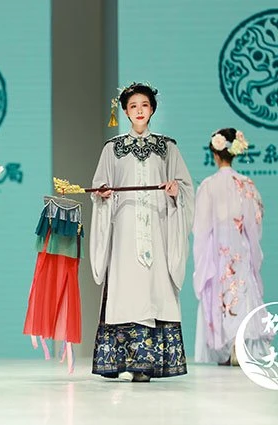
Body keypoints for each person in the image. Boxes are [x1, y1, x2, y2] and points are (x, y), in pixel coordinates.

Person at [89, 82, 193, 382]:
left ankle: (147, 365)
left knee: (154, 287)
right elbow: (99, 186)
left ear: (152, 110)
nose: (139, 111)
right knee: (127, 287)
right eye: (133, 106)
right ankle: (126, 362)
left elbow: (185, 186)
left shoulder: (167, 147)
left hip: (158, 227)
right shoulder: (112, 148)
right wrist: (103, 195)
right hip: (125, 228)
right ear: (124, 111)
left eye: (144, 105)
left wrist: (175, 191)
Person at [193, 128, 268, 365]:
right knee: (242, 292)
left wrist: (202, 254)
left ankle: (225, 348)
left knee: (219, 294)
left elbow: (201, 227)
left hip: (218, 251)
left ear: (215, 155)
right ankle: (239, 344)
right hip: (240, 247)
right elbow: (255, 220)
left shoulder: (208, 185)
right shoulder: (245, 184)